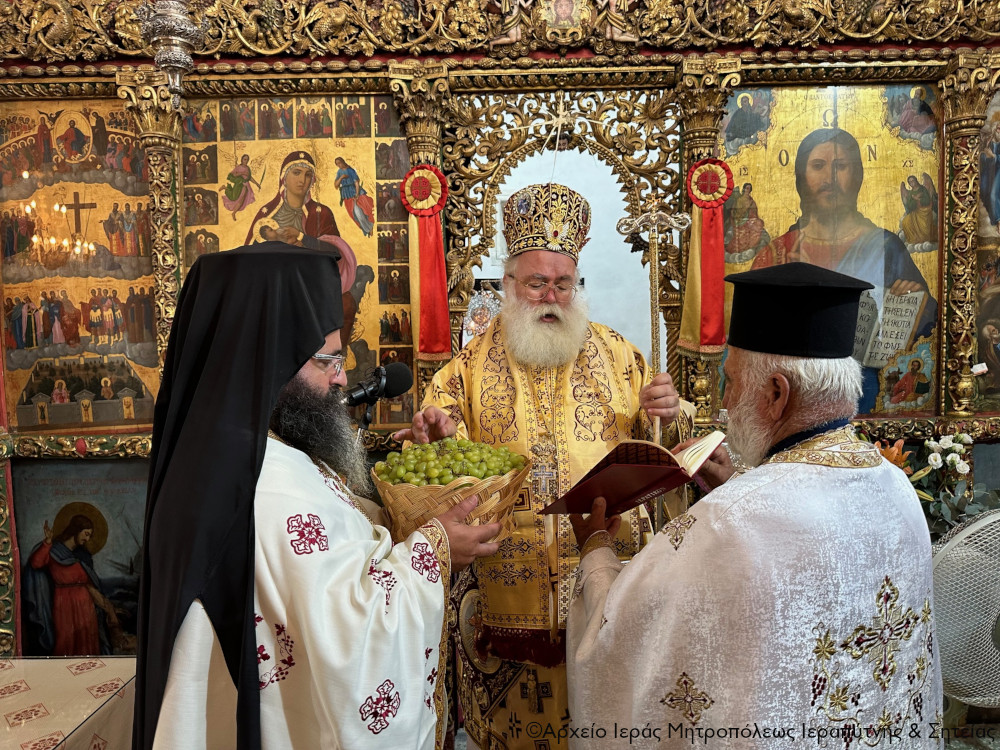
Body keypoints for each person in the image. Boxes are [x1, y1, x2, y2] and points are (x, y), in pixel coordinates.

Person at [133, 244, 501, 750]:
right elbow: (353, 641)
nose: (343, 377)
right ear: (267, 358)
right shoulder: (268, 481)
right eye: (326, 359)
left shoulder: (226, 454)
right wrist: (435, 553)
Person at [567, 262, 942, 747]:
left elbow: (623, 632)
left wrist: (596, 548)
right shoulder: (895, 487)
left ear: (776, 393)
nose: (725, 399)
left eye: (732, 379)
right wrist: (733, 485)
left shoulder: (733, 520)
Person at [395, 183, 694, 750]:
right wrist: (433, 439)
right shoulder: (464, 372)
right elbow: (433, 471)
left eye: (563, 283)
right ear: (509, 284)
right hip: (501, 614)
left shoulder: (622, 356)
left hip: (606, 600)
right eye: (536, 283)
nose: (551, 297)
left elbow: (669, 461)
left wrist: (671, 415)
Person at [750, 127, 938, 412]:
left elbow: (928, 328)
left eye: (841, 166)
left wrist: (915, 302)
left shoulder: (887, 248)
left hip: (868, 397)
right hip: (792, 404)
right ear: (801, 177)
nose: (829, 179)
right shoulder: (776, 254)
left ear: (858, 175)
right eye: (818, 166)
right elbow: (750, 339)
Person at [23, 514, 119, 656]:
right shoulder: (54, 550)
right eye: (86, 534)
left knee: (87, 641)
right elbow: (36, 563)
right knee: (65, 641)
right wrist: (47, 542)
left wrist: (108, 609)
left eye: (89, 536)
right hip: (63, 603)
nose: (87, 539)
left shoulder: (83, 555)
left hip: (85, 605)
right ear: (76, 530)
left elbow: (90, 586)